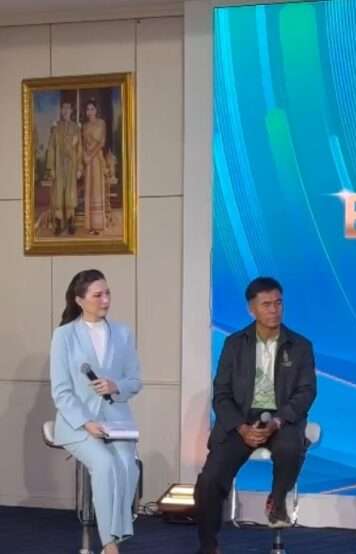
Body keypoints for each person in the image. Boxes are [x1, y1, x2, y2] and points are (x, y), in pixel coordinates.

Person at [194, 277, 317, 554]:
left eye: (278, 303)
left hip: (282, 419)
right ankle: (209, 546)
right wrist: (241, 427)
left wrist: (278, 421)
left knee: (290, 447)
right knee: (209, 481)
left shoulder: (300, 346)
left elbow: (306, 392)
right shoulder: (235, 344)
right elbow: (221, 393)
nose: (274, 309)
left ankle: (277, 499)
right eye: (266, 304)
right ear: (252, 309)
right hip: (241, 421)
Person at [50, 269, 142, 554]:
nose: (105, 300)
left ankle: (117, 533)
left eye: (107, 293)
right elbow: (61, 391)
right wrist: (86, 423)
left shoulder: (123, 333)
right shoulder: (64, 336)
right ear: (80, 300)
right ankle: (110, 543)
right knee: (104, 465)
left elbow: (135, 381)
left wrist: (116, 385)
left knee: (127, 466)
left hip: (117, 422)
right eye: (97, 295)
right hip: (78, 423)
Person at [44, 100, 81, 235]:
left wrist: (79, 168)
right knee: (58, 194)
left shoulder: (76, 128)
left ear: (71, 111)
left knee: (70, 194)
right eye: (63, 108)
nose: (66, 111)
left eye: (68, 108)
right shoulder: (56, 128)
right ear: (61, 110)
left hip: (71, 165)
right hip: (58, 166)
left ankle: (71, 222)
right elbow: (51, 148)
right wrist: (51, 168)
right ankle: (58, 223)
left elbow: (79, 149)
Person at [81, 99, 107, 235]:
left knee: (97, 189)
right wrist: (84, 156)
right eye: (87, 109)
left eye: (92, 109)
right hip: (88, 162)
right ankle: (90, 225)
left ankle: (98, 225)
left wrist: (90, 156)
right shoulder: (84, 126)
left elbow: (101, 143)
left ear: (96, 110)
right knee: (89, 190)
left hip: (96, 159)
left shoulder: (101, 123)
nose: (89, 111)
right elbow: (83, 144)